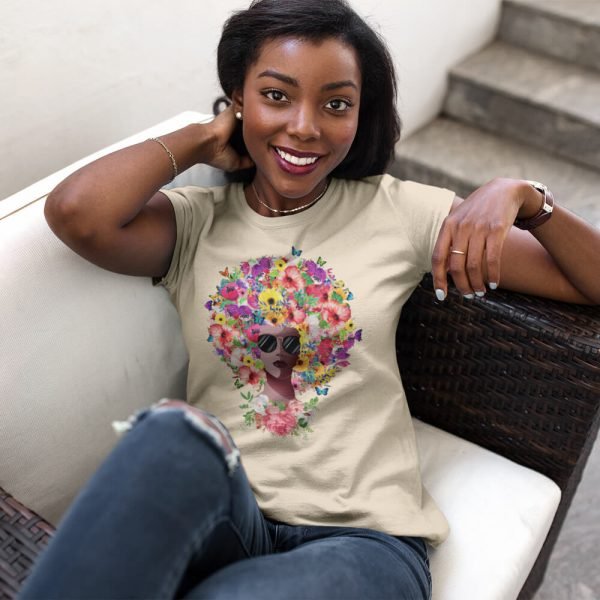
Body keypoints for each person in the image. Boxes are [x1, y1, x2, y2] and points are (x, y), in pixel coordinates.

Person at [19, 0, 600, 598]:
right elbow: (77, 215)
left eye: (336, 104)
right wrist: (200, 137)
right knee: (173, 433)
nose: (305, 126)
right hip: (230, 515)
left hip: (362, 545)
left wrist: (526, 198)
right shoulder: (197, 224)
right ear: (239, 95)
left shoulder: (398, 210)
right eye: (276, 95)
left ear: (358, 115)